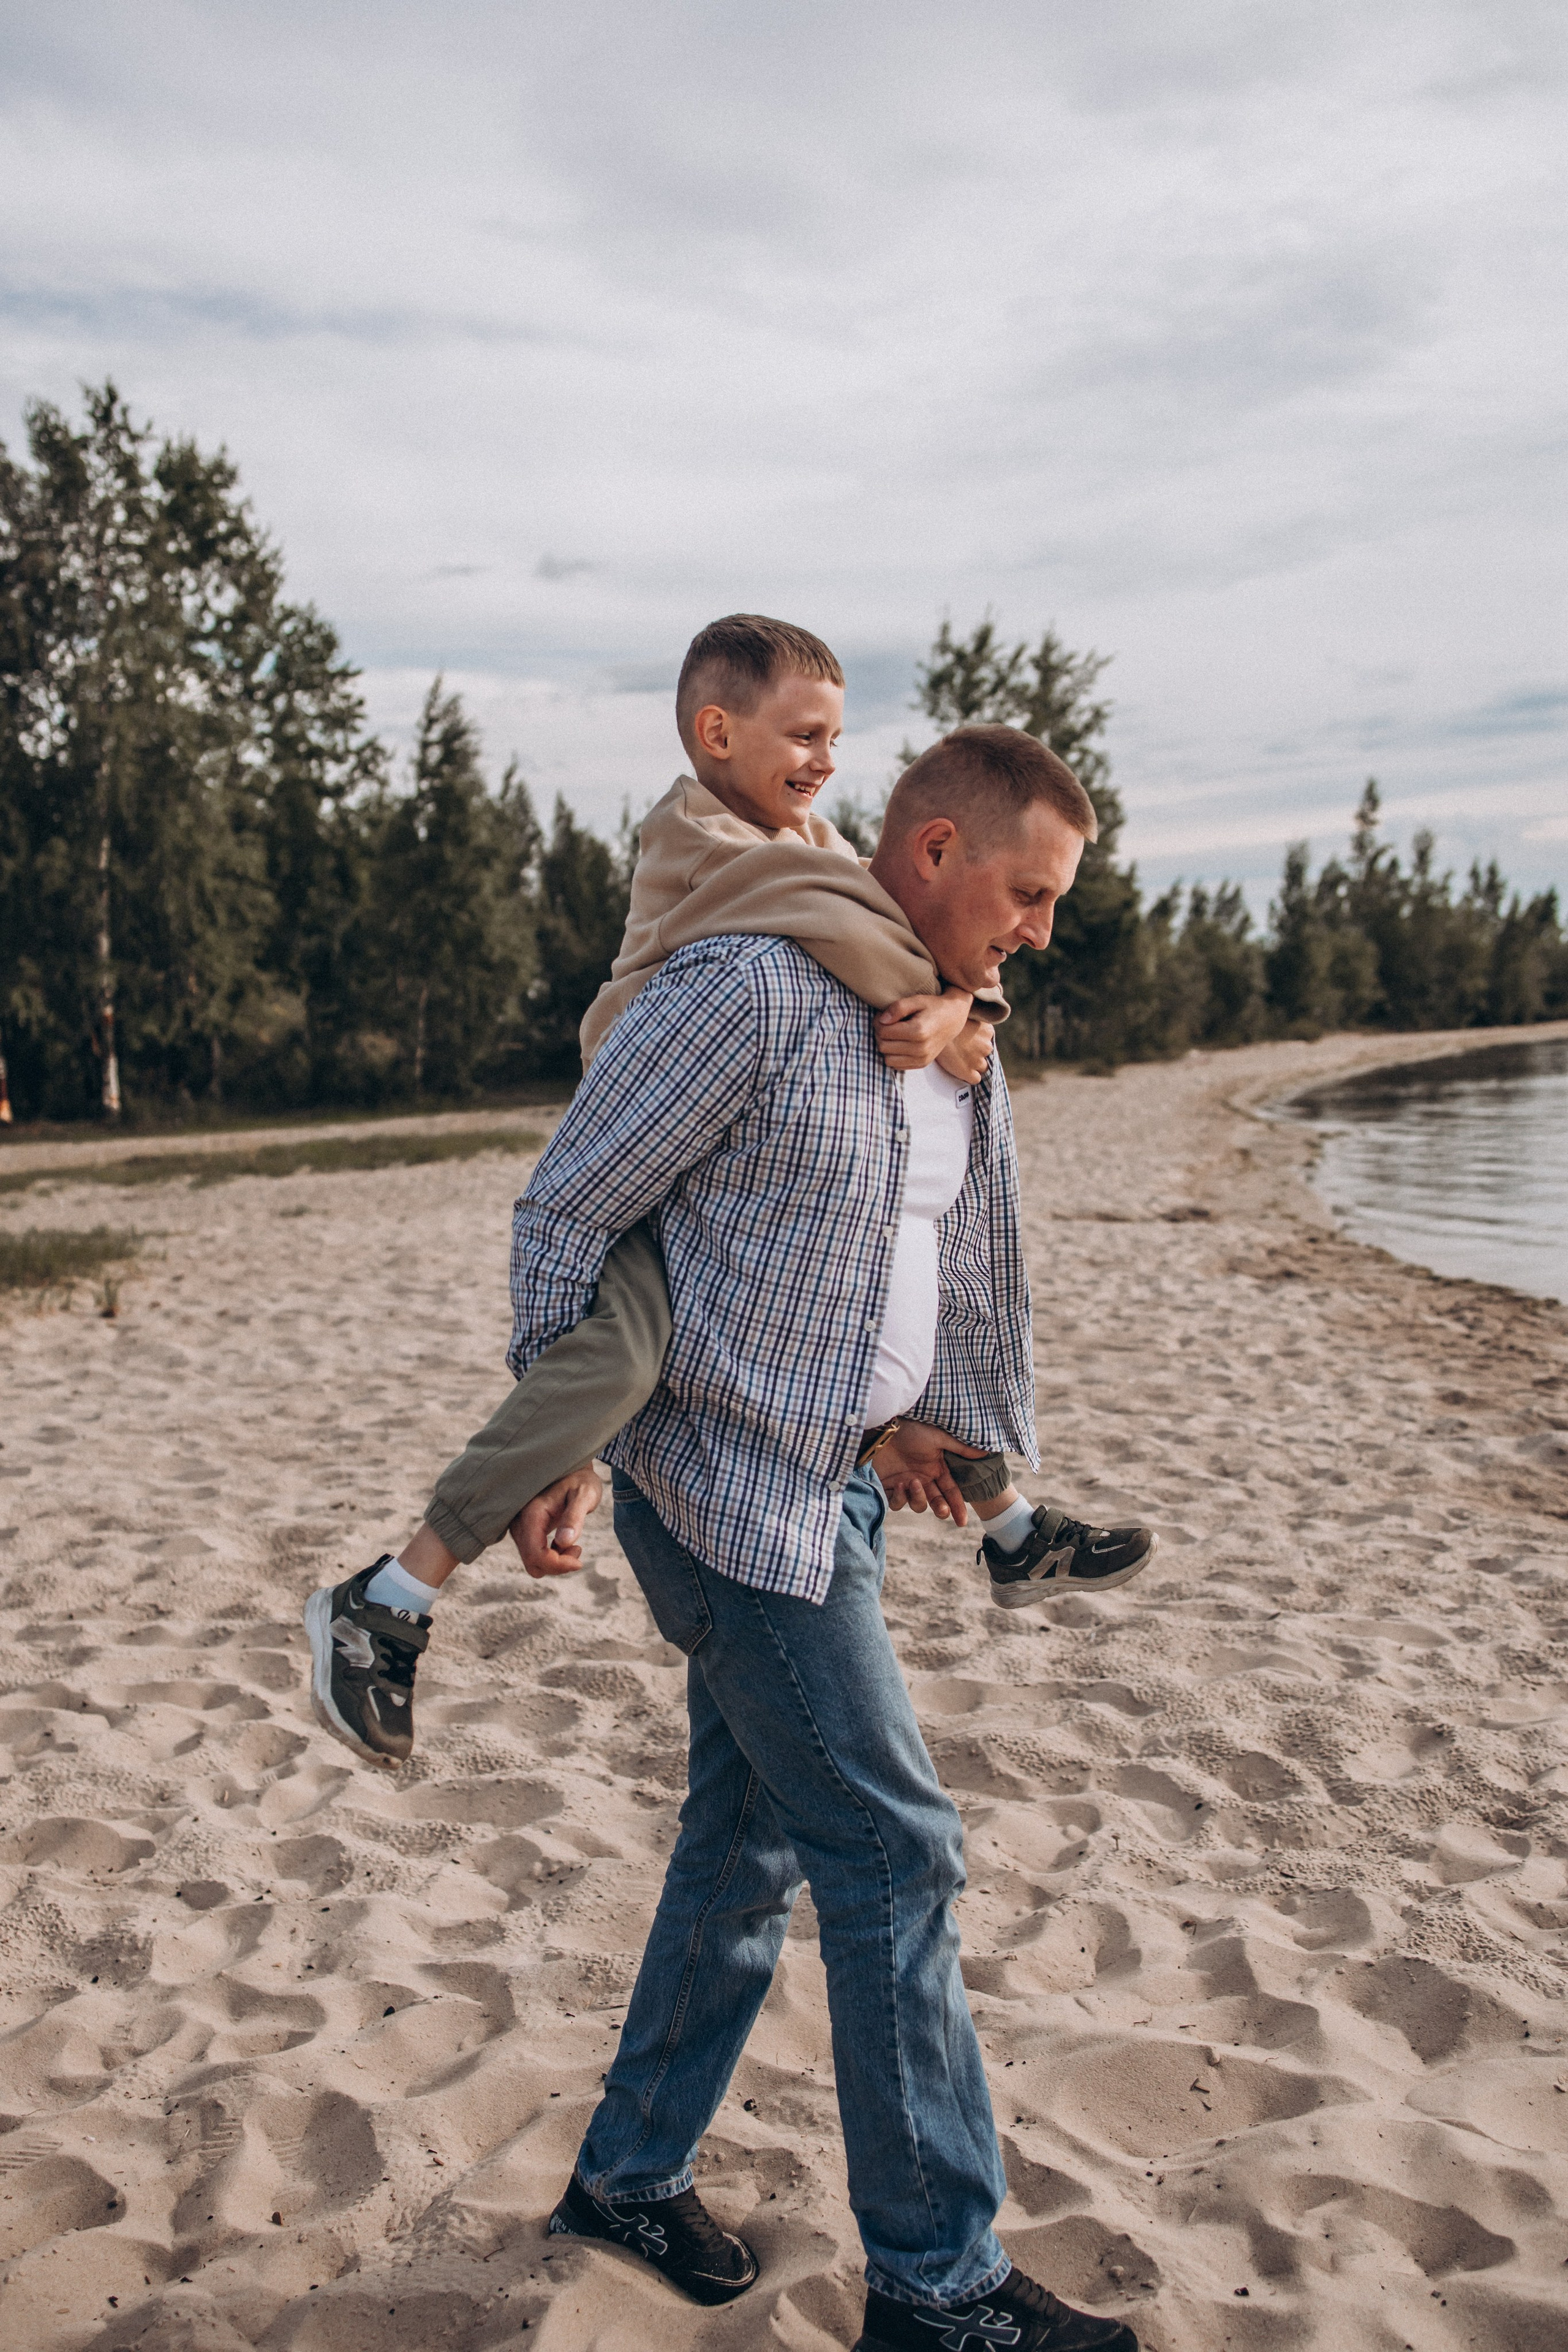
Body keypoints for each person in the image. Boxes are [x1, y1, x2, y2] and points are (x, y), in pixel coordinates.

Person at [517, 721, 1139, 2350]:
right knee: (895, 1845)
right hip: (728, 1496)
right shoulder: (748, 991)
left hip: (838, 1473)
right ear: (934, 851)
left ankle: (631, 2172)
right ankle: (939, 2290)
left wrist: (902, 1417)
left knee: (757, 1832)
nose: (1042, 929)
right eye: (1030, 891)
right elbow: (574, 1198)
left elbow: (818, 1257)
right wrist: (546, 1421)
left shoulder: (929, 1019)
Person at [304, 617, 1155, 1773]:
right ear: (715, 731)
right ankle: (394, 1590)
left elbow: (881, 935)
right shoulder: (715, 853)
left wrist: (966, 1008)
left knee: (744, 1838)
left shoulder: (807, 844)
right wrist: (956, 1001)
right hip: (670, 1213)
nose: (825, 759)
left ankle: (1009, 1529)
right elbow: (846, 933)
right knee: (610, 1367)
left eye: (836, 737)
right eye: (803, 734)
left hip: (820, 1417)